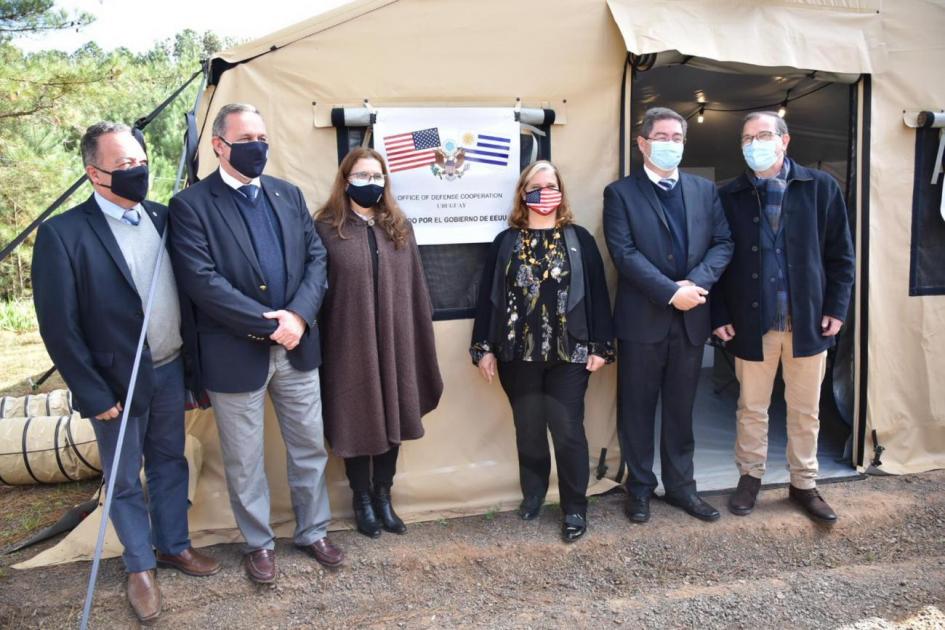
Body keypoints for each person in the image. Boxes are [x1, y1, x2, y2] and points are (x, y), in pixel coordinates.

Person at [31, 122, 219, 623]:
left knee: (169, 461)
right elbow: (59, 326)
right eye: (125, 167)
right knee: (123, 477)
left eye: (141, 163)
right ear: (95, 174)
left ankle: (173, 545)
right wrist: (93, 392)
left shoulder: (164, 217)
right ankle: (139, 566)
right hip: (116, 383)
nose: (138, 173)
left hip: (170, 369)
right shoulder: (63, 234)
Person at [169, 103, 341, 584]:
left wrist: (299, 318)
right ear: (219, 145)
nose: (258, 146)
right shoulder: (191, 206)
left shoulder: (288, 195)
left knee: (308, 446)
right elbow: (201, 282)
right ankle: (259, 544)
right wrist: (271, 325)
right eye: (247, 138)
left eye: (263, 137)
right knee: (245, 460)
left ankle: (313, 531)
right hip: (233, 353)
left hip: (297, 348)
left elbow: (316, 261)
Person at [712, 111, 855, 525]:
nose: (754, 143)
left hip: (807, 321)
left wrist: (836, 308)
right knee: (751, 407)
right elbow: (717, 258)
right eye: (747, 138)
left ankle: (804, 484)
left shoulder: (820, 187)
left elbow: (841, 256)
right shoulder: (730, 194)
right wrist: (719, 312)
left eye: (763, 135)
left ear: (784, 141)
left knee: (805, 409)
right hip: (750, 323)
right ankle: (750, 477)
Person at [471, 160, 614, 543]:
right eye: (536, 186)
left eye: (551, 185)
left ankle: (574, 508)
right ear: (523, 193)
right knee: (529, 429)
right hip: (517, 355)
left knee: (568, 431)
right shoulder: (506, 242)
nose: (544, 192)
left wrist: (601, 346)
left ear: (561, 192)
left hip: (569, 354)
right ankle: (534, 494)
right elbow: (489, 299)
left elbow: (598, 294)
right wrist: (483, 347)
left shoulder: (579, 239)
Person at [603, 107, 733, 525]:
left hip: (691, 319)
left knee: (681, 410)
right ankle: (638, 489)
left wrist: (692, 284)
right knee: (637, 410)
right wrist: (669, 292)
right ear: (642, 142)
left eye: (677, 137)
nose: (671, 143)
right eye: (662, 136)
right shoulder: (620, 194)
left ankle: (681, 488)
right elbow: (624, 253)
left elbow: (723, 243)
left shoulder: (703, 189)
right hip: (642, 322)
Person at [314, 148, 443, 538]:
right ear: (346, 179)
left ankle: (384, 495)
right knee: (358, 412)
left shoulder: (399, 226)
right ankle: (361, 499)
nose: (370, 182)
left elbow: (414, 286)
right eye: (361, 175)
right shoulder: (326, 227)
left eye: (376, 176)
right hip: (348, 339)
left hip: (395, 336)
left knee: (394, 408)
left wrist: (417, 332)